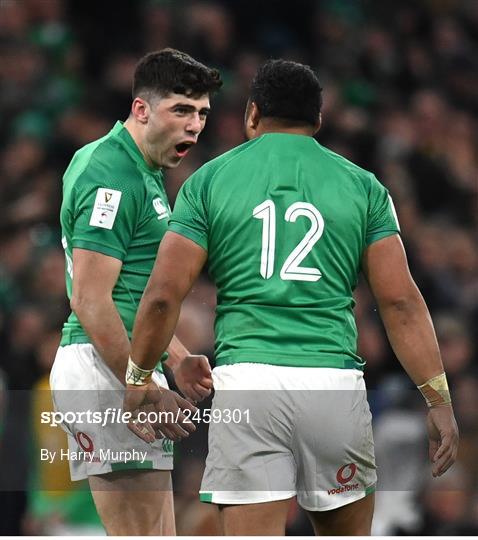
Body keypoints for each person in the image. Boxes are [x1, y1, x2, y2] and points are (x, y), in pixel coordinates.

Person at [123, 59, 459, 536]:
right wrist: (438, 399)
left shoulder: (209, 181)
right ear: (317, 121)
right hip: (333, 384)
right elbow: (401, 303)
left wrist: (139, 377)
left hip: (249, 384)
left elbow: (161, 297)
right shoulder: (364, 187)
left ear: (253, 113)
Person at [50, 48, 222, 535]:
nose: (194, 126)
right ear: (141, 109)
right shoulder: (113, 176)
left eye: (202, 114)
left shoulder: (138, 171)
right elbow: (89, 299)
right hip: (104, 368)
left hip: (120, 365)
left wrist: (175, 355)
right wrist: (140, 381)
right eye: (181, 110)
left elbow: (133, 294)